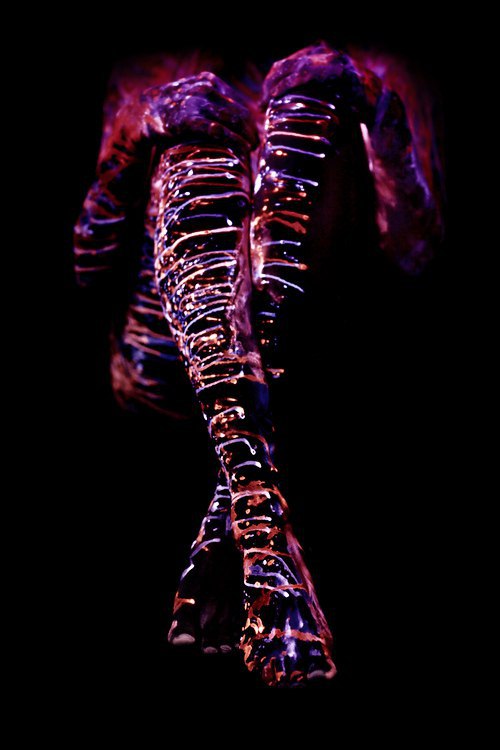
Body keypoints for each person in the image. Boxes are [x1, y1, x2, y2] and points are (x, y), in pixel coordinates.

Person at [74, 42, 443, 687]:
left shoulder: (379, 62)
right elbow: (89, 266)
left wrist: (375, 104)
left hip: (313, 391)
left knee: (308, 109)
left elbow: (417, 255)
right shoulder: (149, 69)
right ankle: (260, 521)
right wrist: (140, 127)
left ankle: (248, 507)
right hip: (163, 385)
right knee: (199, 152)